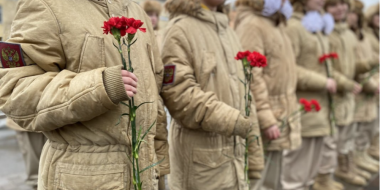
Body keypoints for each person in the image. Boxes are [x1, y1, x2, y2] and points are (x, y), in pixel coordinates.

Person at [0, 0, 168, 189]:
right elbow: (15, 91)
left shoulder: (135, 9)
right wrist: (99, 86)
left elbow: (154, 94)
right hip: (82, 178)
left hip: (144, 177)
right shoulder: (45, 5)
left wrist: (159, 169)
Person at [161, 0, 267, 189]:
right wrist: (232, 120)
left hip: (234, 164)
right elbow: (178, 94)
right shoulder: (180, 30)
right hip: (201, 168)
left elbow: (245, 95)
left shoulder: (228, 30)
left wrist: (255, 156)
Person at [234, 0, 339, 189]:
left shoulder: (276, 23)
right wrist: (266, 117)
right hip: (268, 116)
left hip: (280, 112)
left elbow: (284, 72)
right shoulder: (253, 24)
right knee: (258, 181)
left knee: (272, 181)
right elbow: (251, 76)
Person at [283, 0, 359, 189]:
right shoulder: (294, 27)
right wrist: (323, 82)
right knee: (295, 174)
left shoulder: (317, 27)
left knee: (309, 174)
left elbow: (328, 69)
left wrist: (345, 84)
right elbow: (288, 68)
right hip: (304, 109)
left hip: (321, 109)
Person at [347, 0, 380, 181]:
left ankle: (362, 155)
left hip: (371, 87)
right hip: (361, 89)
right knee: (355, 130)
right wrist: (373, 85)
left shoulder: (366, 36)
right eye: (377, 15)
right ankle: (352, 163)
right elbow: (358, 66)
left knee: (370, 126)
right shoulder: (365, 35)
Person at [365, 2, 380, 162]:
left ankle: (374, 147)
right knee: (369, 124)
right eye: (378, 15)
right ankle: (368, 150)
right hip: (373, 84)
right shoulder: (368, 36)